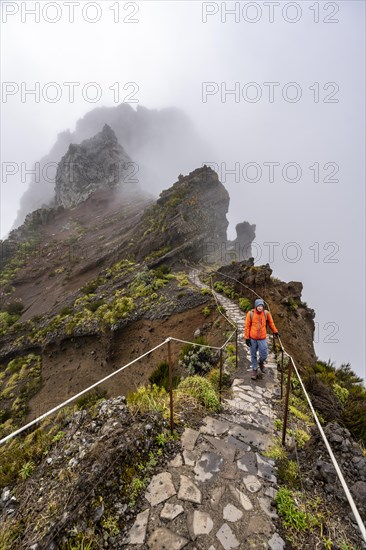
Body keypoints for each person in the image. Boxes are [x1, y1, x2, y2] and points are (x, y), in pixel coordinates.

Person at [244, 298, 280, 380]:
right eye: (258, 306)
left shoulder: (266, 313)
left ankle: (261, 362)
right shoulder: (250, 314)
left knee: (264, 354)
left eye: (261, 306)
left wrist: (275, 331)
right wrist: (247, 338)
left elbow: (271, 323)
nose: (260, 307)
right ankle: (254, 369)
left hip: (262, 338)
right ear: (256, 306)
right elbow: (247, 326)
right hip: (252, 338)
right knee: (253, 354)